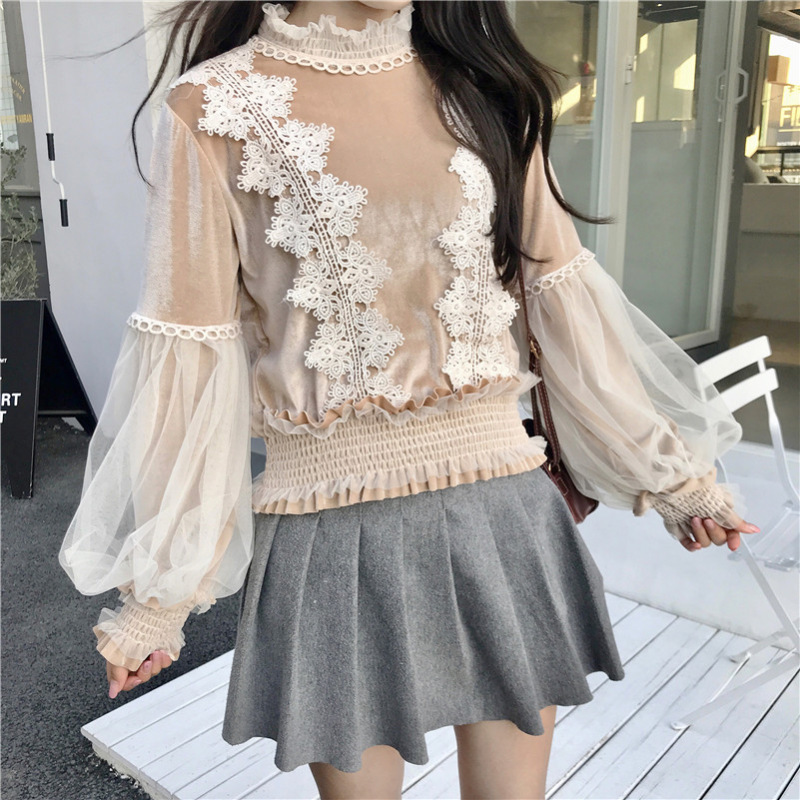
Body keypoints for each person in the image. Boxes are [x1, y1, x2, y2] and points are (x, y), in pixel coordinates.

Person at [58, 2, 760, 797]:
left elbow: (563, 308)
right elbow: (189, 359)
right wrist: (159, 594)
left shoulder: (486, 91)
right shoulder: (212, 106)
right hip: (328, 535)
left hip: (502, 517)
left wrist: (673, 479)